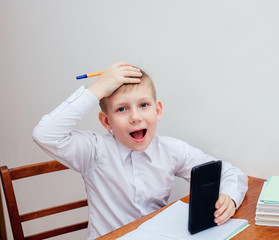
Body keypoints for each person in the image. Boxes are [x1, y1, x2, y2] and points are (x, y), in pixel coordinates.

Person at [33, 62, 248, 240]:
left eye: (143, 105)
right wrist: (98, 88)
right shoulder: (94, 151)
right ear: (106, 121)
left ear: (158, 110)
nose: (135, 117)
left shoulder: (171, 150)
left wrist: (229, 196)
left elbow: (230, 173)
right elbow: (44, 134)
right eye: (122, 109)